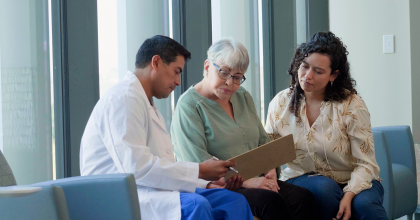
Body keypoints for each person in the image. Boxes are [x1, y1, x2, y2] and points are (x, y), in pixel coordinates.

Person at [79, 35, 254, 220]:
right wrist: (200, 171)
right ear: (156, 62)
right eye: (176, 71)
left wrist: (204, 183)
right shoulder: (122, 99)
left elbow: (163, 165)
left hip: (154, 189)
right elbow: (136, 168)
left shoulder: (147, 105)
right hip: (121, 197)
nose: (178, 82)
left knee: (233, 201)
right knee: (197, 205)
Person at [171, 39, 316, 220]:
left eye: (237, 77)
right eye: (223, 73)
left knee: (304, 198)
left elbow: (262, 141)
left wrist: (270, 168)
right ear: (207, 67)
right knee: (271, 202)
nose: (230, 83)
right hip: (222, 187)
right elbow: (197, 163)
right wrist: (248, 181)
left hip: (257, 179)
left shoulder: (242, 96)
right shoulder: (189, 106)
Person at [264, 32, 388, 220]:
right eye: (304, 67)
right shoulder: (280, 103)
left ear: (334, 75)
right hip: (301, 178)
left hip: (353, 178)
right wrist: (270, 171)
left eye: (318, 71)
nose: (307, 76)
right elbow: (268, 149)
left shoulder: (352, 105)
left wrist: (349, 194)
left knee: (366, 206)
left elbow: (366, 163)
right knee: (324, 188)